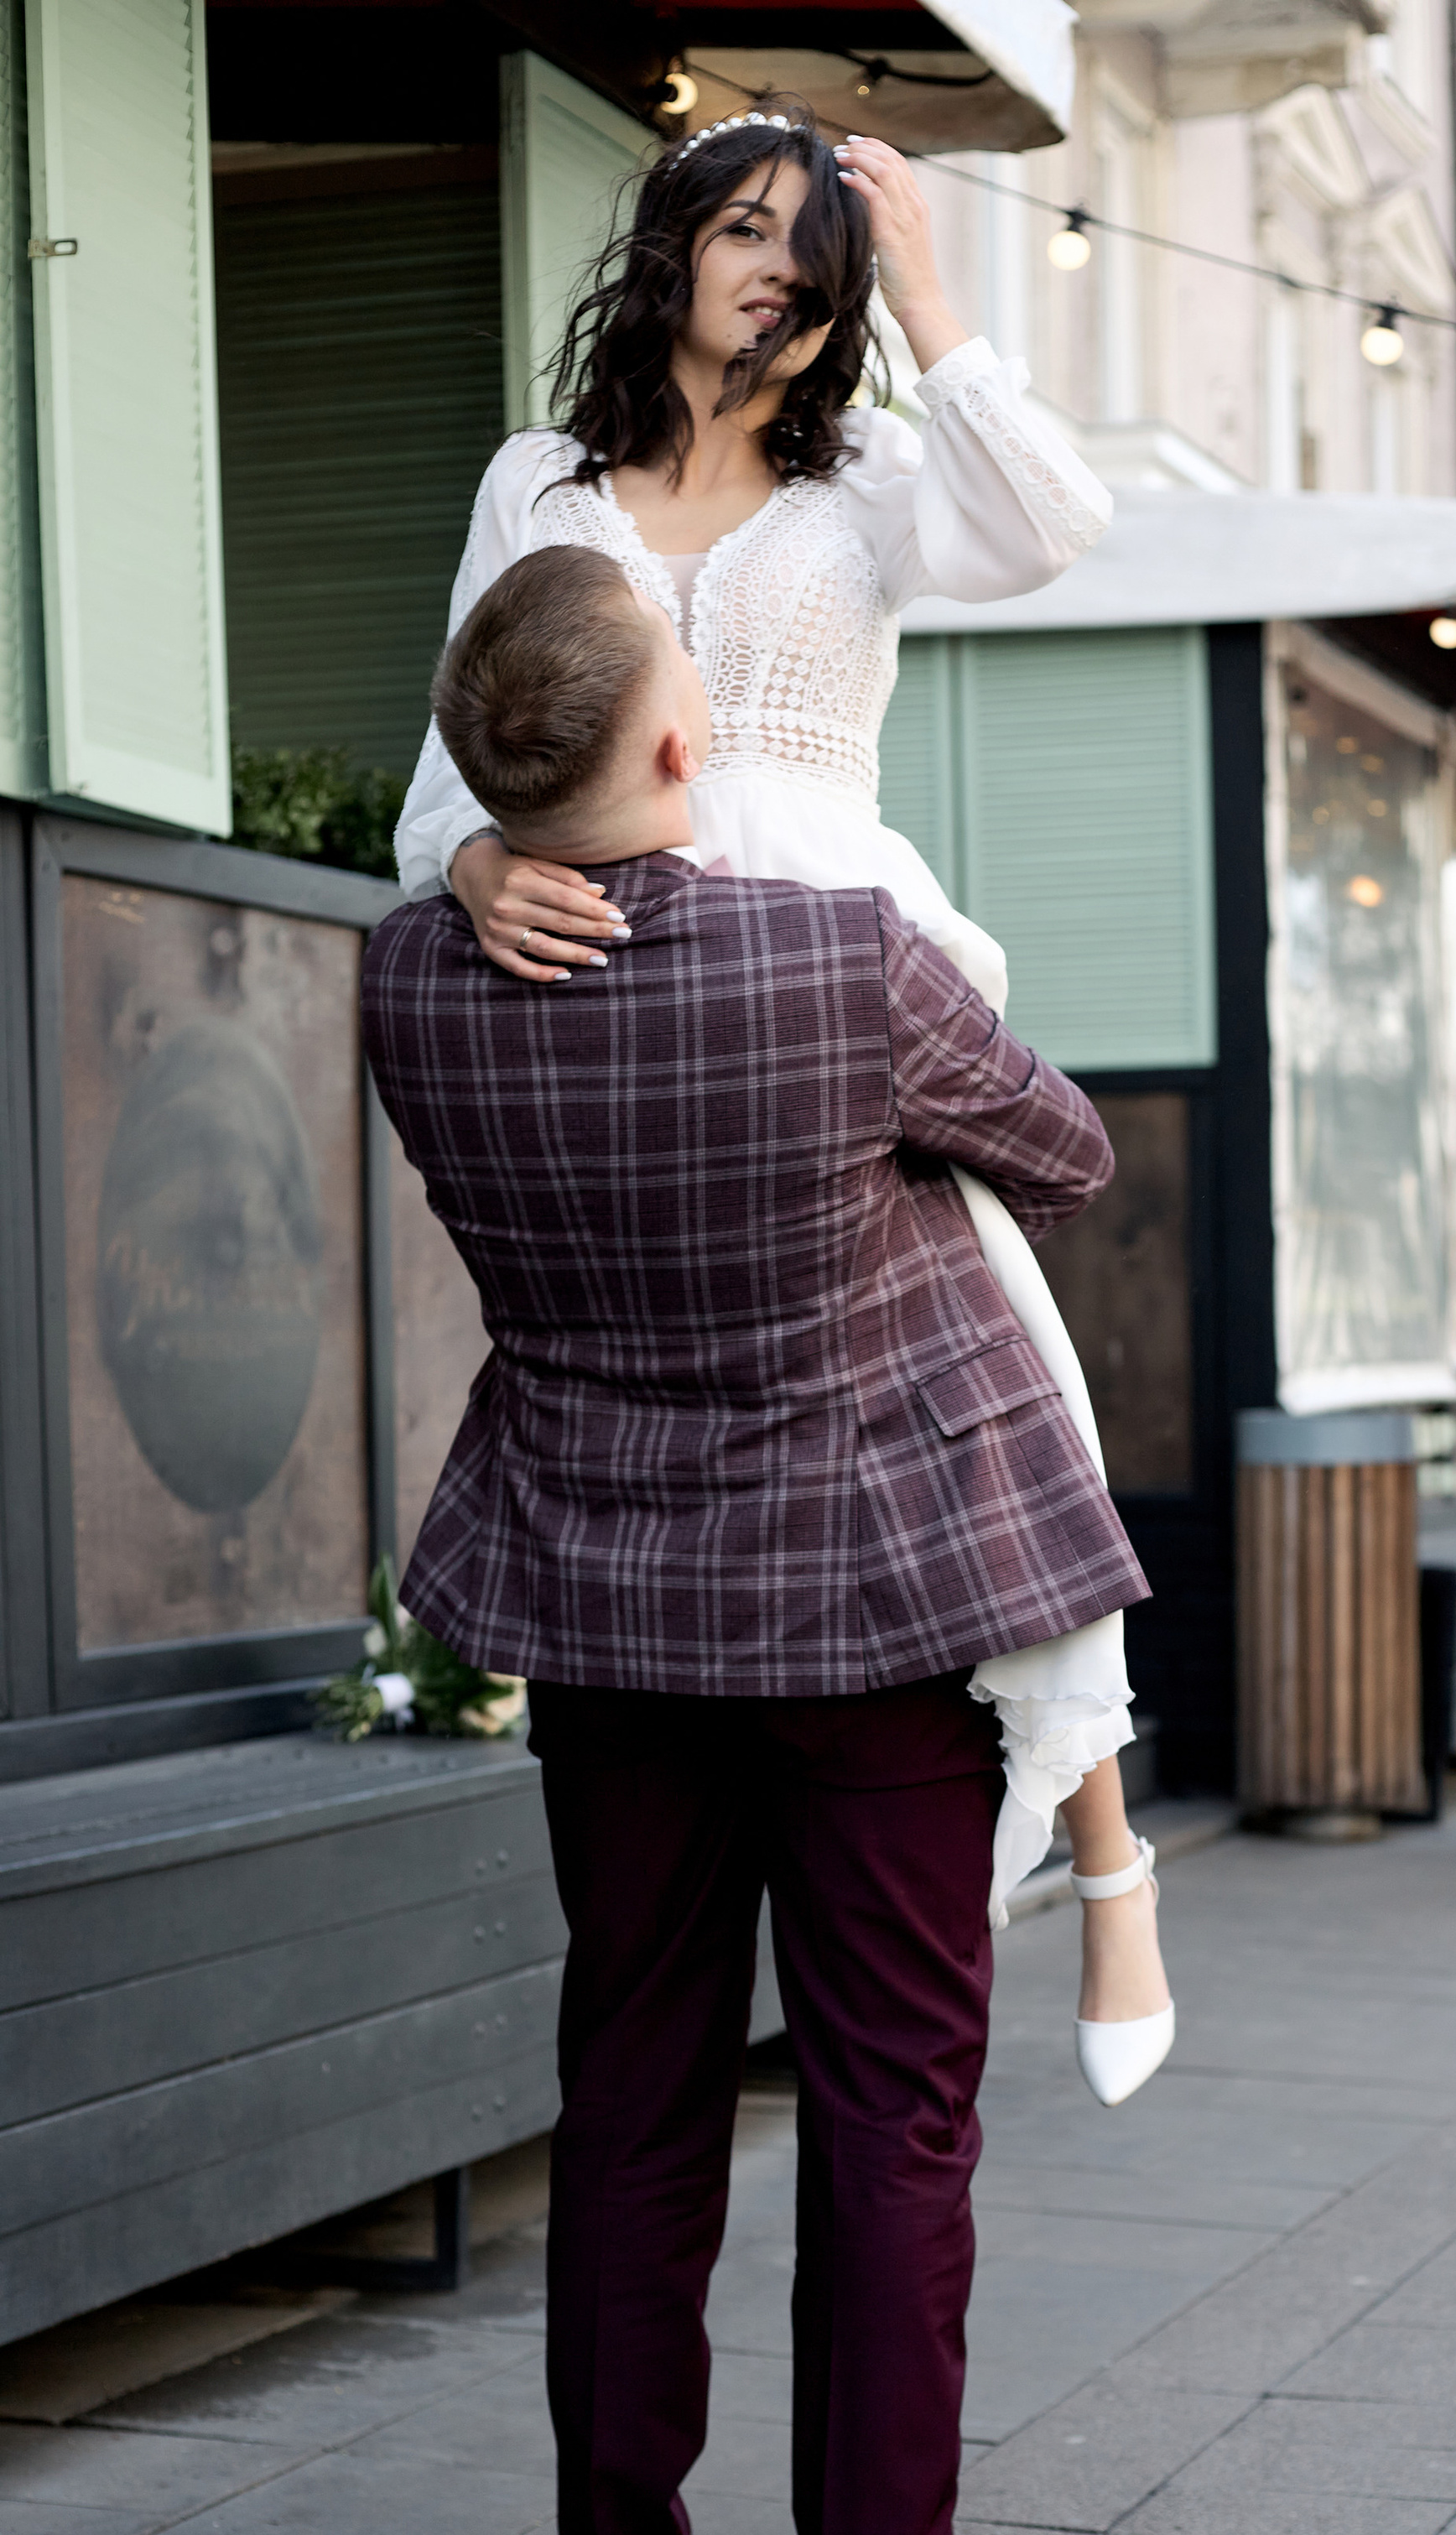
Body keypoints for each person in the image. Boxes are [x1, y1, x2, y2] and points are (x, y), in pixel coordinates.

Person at [366, 543, 1148, 2535]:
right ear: (688, 742)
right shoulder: (842, 955)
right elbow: (1067, 1152)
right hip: (871, 1612)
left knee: (627, 2098)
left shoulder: (413, 985)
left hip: (605, 1619)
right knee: (896, 2108)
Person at [394, 104, 1170, 2104]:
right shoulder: (533, 483)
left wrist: (926, 285)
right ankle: (1015, 1808)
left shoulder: (875, 486)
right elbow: (443, 781)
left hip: (840, 986)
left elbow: (1057, 520)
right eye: (743, 230)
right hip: (619, 986)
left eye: (804, 264)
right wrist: (476, 870)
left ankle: (1102, 1833)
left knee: (1015, 1378)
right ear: (668, 239)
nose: (772, 274)